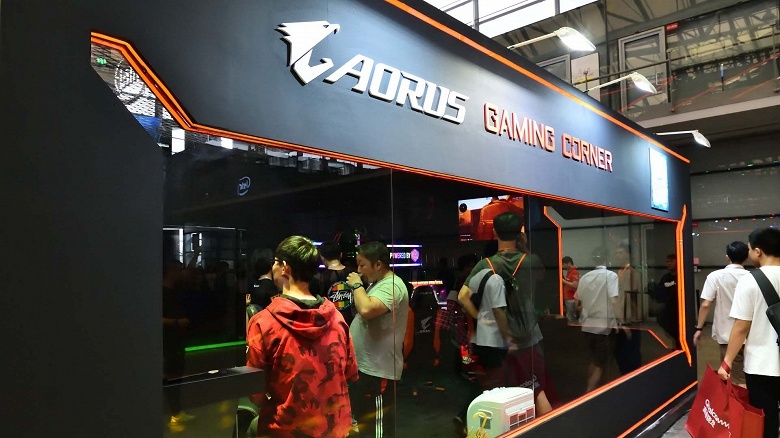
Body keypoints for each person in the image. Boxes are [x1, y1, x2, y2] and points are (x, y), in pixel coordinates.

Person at [246, 236, 358, 438]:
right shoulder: (337, 319)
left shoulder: (263, 323)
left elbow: (256, 395)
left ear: (284, 267)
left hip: (287, 430)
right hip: (335, 428)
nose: (273, 267)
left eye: (275, 262)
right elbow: (349, 373)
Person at [457, 211, 553, 416]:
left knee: (505, 398)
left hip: (502, 344)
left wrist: (480, 317)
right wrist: (525, 248)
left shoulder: (485, 265)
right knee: (536, 391)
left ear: (494, 232)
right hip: (530, 338)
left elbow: (463, 297)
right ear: (520, 234)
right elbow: (542, 277)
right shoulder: (531, 261)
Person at [718, 228, 780, 438]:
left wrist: (727, 361)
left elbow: (741, 327)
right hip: (763, 366)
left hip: (761, 366)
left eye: (750, 249)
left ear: (758, 251)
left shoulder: (750, 281)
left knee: (766, 418)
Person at [347, 241, 409, 437]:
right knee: (365, 425)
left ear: (379, 264)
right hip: (367, 368)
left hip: (377, 371)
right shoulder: (378, 284)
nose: (359, 270)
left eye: (362, 264)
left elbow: (366, 309)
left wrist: (357, 285)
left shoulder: (392, 286)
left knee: (378, 428)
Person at [693, 241, 749, 386]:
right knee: (746, 371)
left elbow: (706, 304)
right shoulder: (752, 277)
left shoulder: (715, 276)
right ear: (746, 258)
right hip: (750, 332)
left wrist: (699, 328)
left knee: (732, 374)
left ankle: (738, 399)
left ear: (727, 257)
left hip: (727, 333)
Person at [575, 247, 621, 392]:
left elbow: (578, 303)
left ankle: (590, 390)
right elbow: (614, 301)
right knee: (600, 363)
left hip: (588, 326)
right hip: (605, 327)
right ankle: (589, 393)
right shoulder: (611, 276)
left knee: (594, 360)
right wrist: (622, 321)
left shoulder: (585, 277)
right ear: (607, 260)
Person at [310, 240, 358, 325]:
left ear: (322, 258)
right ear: (341, 255)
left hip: (330, 325)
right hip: (353, 324)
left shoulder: (318, 278)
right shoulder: (355, 274)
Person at [653, 253, 679, 347]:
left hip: (679, 310)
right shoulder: (665, 278)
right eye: (667, 261)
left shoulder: (681, 277)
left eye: (671, 261)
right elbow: (660, 293)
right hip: (668, 310)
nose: (669, 263)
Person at [562, 256, 580, 323]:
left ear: (569, 263)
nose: (563, 266)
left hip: (571, 299)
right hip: (568, 298)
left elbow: (575, 285)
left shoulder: (574, 272)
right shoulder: (569, 272)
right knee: (569, 316)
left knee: (571, 317)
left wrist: (563, 281)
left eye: (564, 264)